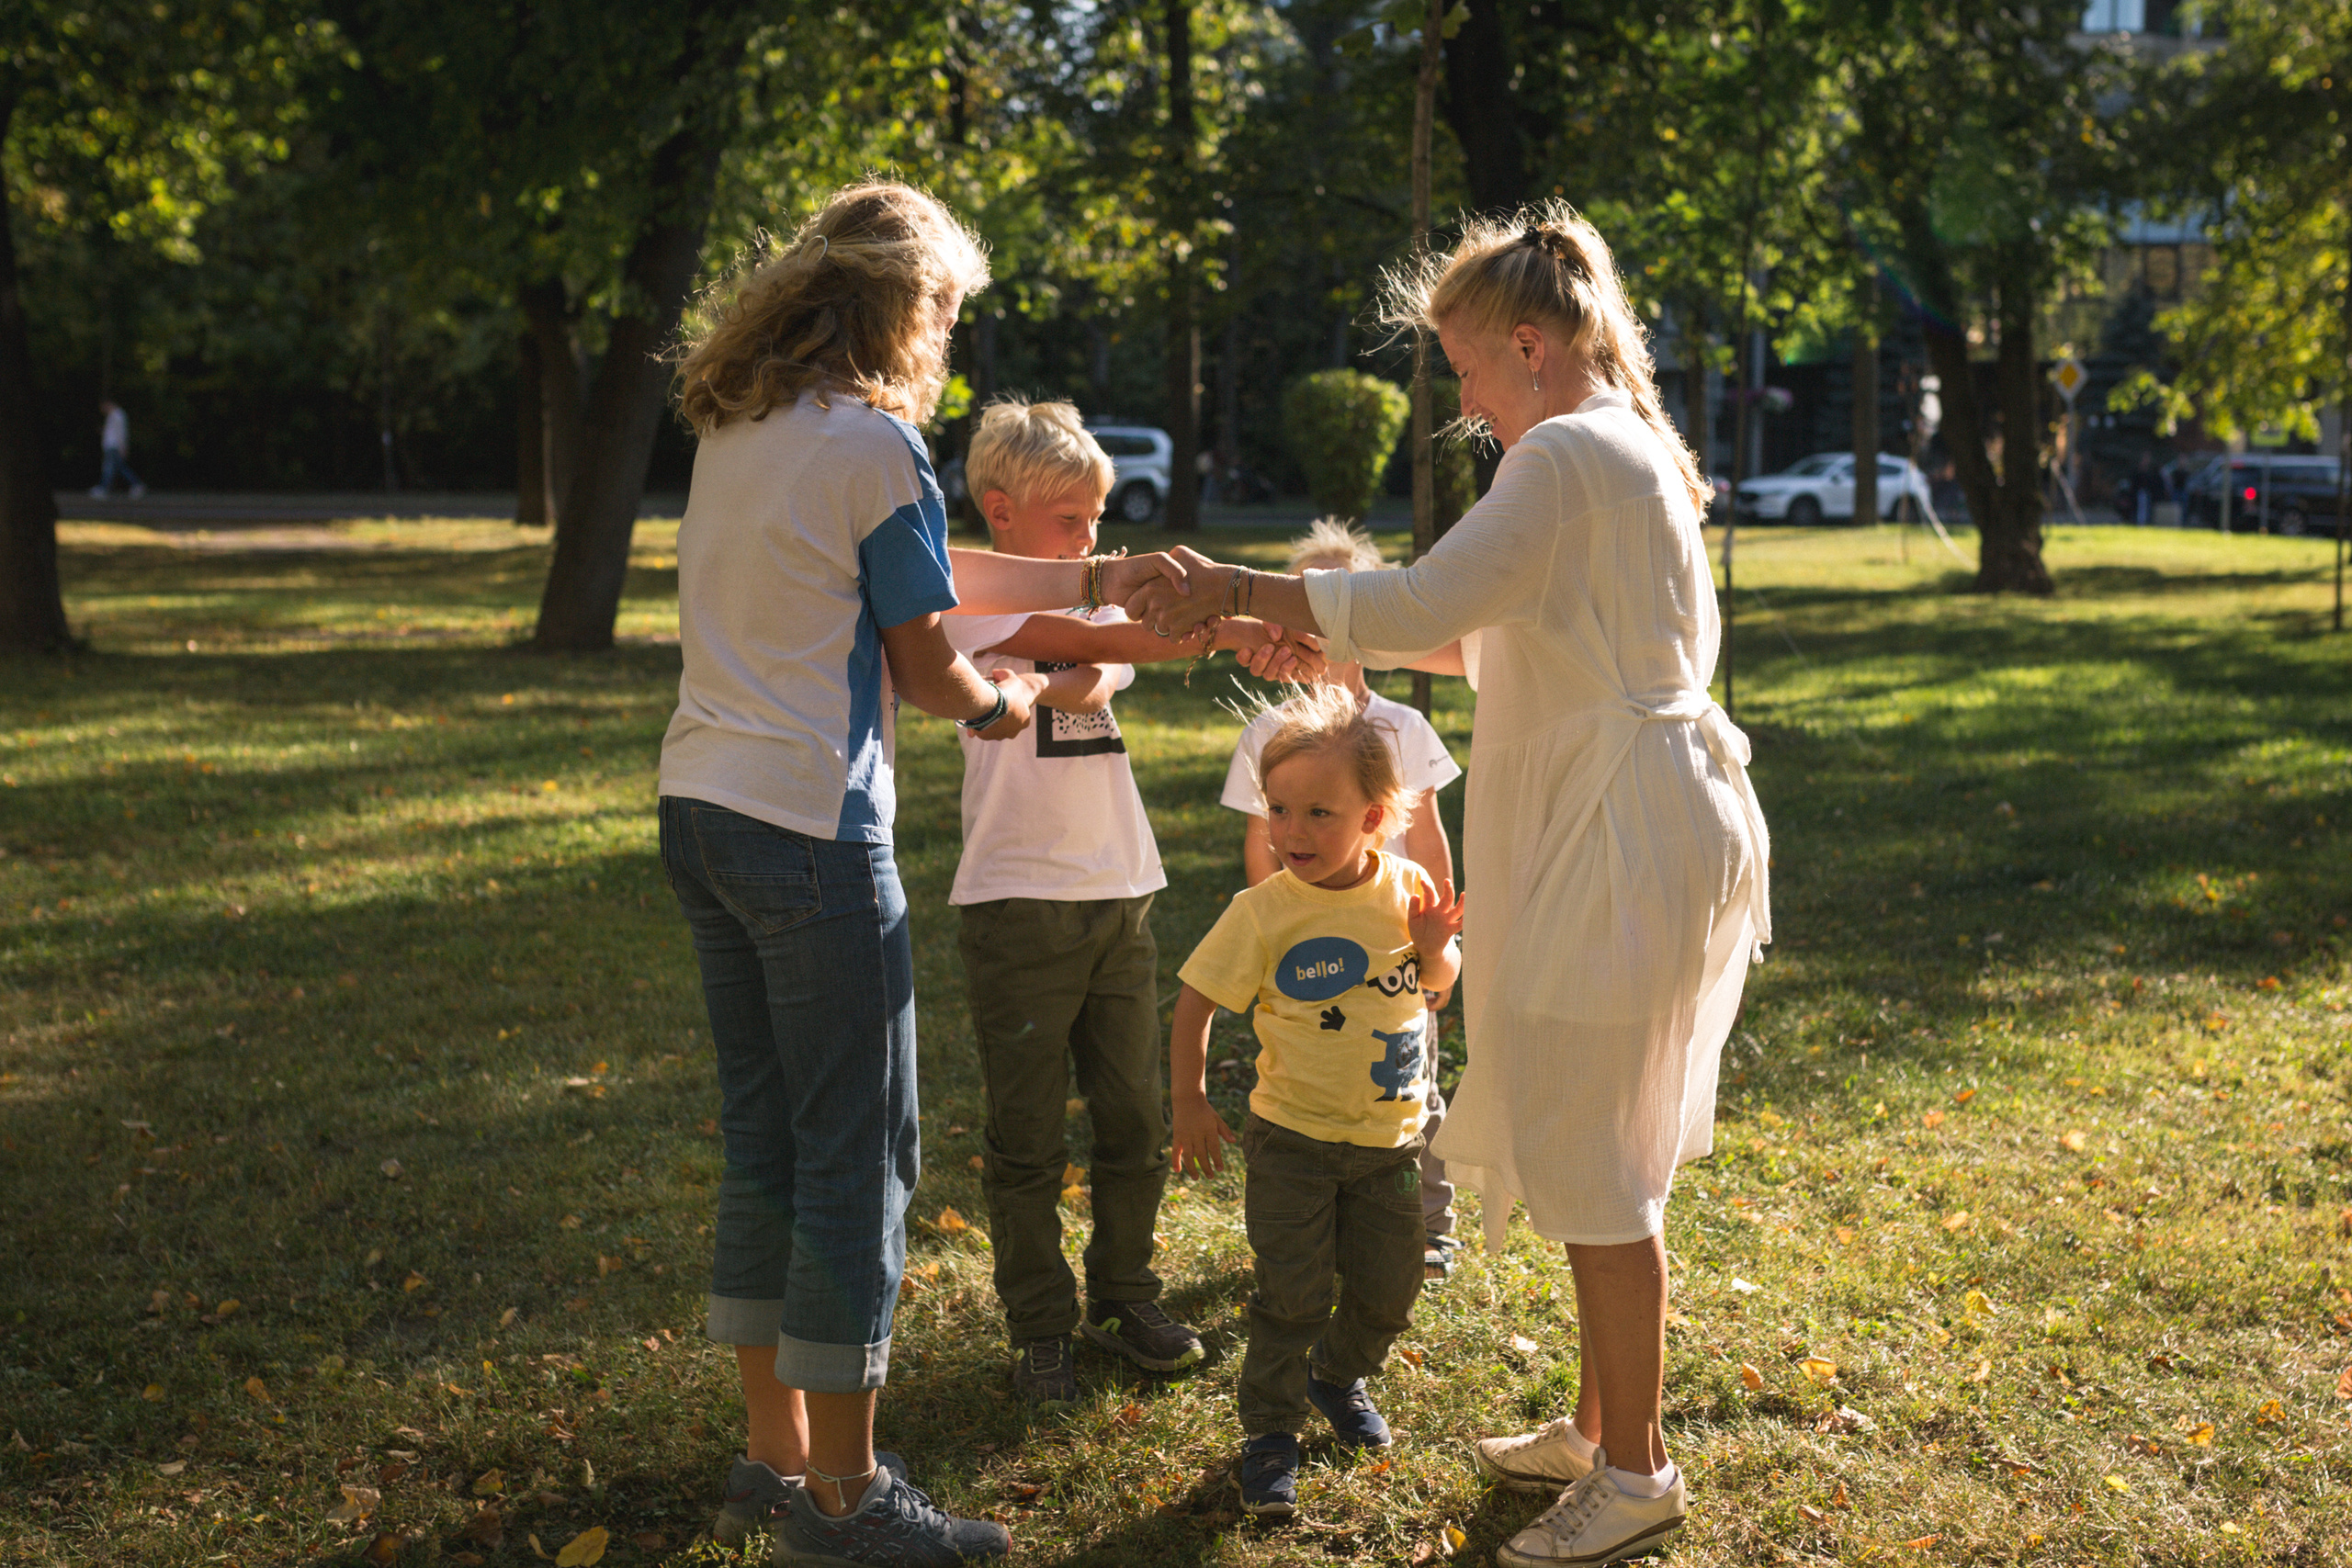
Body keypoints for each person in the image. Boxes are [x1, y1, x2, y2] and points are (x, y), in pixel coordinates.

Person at [1130, 202, 1771, 1568]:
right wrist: (1285, 626)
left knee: (1602, 1160)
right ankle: (1604, 1429)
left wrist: (1234, 581)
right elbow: (1491, 632)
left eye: (1469, 370)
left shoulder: (1566, 457)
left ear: (1531, 347)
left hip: (1623, 833)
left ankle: (1639, 1467)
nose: (1463, 398)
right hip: (1638, 820)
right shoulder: (1608, 450)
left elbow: (1422, 604)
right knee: (1607, 1142)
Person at [658, 180, 1187, 1566]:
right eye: (947, 305)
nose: (950, 331)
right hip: (814, 832)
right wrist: (1009, 704)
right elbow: (930, 658)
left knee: (767, 1137)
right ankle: (849, 1499)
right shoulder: (879, 441)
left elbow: (926, 565)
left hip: (702, 810)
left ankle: (773, 1459)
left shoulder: (748, 424)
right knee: (858, 1158)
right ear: (902, 302)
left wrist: (1097, 576)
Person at [938, 396, 1307, 1405]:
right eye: (1071, 523)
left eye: (1099, 522)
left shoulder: (1078, 609)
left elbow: (1103, 665)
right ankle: (1040, 1325)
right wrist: (1226, 631)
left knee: (1134, 1118)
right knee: (1025, 1136)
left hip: (1121, 890)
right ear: (1001, 510)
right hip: (1018, 904)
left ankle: (1126, 1294)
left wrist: (1243, 624)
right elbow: (1102, 648)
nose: (1092, 543)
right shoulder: (962, 600)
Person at [1167, 683, 1464, 1519]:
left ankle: (1335, 1375)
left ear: (1375, 817)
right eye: (1280, 811)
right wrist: (1189, 1099)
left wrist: (1439, 952)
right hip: (1291, 1142)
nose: (1291, 832)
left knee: (1391, 1287)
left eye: (1318, 814)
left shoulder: (1406, 889)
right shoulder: (1262, 911)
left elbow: (1438, 988)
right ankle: (1269, 1436)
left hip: (1393, 1146)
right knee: (1289, 1294)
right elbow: (1195, 1000)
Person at [1220, 519, 1465, 1279]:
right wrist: (1278, 934)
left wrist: (1439, 944)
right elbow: (1262, 850)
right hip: (1312, 955)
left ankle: (1426, 1225)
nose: (1320, 632)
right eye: (1306, 613)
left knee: (1410, 1083)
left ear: (1370, 623)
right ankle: (1320, 1223)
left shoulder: (1404, 727)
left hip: (1395, 951)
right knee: (1313, 1089)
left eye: (1337, 613)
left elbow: (1429, 843)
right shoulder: (1269, 733)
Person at [91, 400, 145, 499]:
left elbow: (121, 433)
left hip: (114, 446)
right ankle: (137, 485)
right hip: (111, 446)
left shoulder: (118, 415)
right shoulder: (113, 416)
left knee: (109, 468)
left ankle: (103, 489)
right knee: (120, 467)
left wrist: (123, 447)